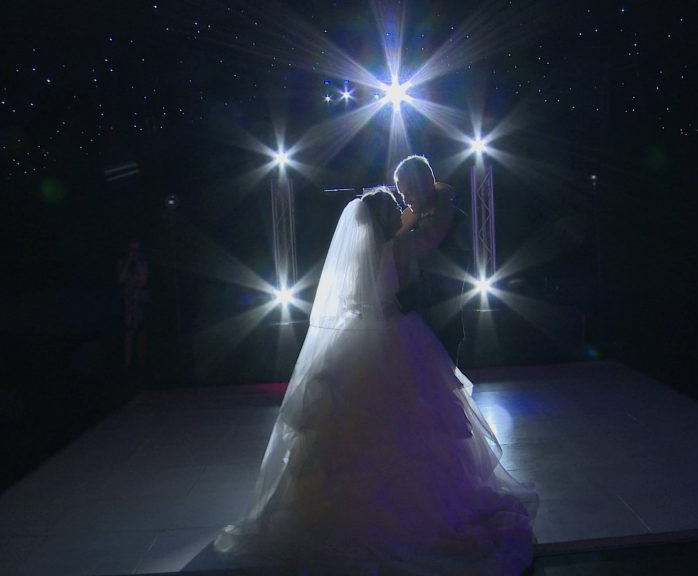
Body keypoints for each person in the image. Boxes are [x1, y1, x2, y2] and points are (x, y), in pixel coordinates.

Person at [214, 161, 537, 575]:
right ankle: (413, 507)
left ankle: (342, 509)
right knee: (407, 424)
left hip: (367, 333)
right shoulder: (397, 247)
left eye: (405, 189)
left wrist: (430, 200)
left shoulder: (369, 252)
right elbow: (422, 237)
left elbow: (416, 235)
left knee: (356, 426)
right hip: (395, 332)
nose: (402, 203)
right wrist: (441, 197)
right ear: (385, 219)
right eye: (397, 199)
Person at [117, 240, 149, 370]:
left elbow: (144, 281)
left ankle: (141, 363)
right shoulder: (122, 261)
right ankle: (127, 363)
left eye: (136, 249)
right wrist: (129, 261)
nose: (134, 251)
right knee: (128, 331)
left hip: (140, 300)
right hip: (127, 300)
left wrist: (137, 262)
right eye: (132, 248)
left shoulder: (143, 262)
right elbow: (120, 279)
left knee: (141, 331)